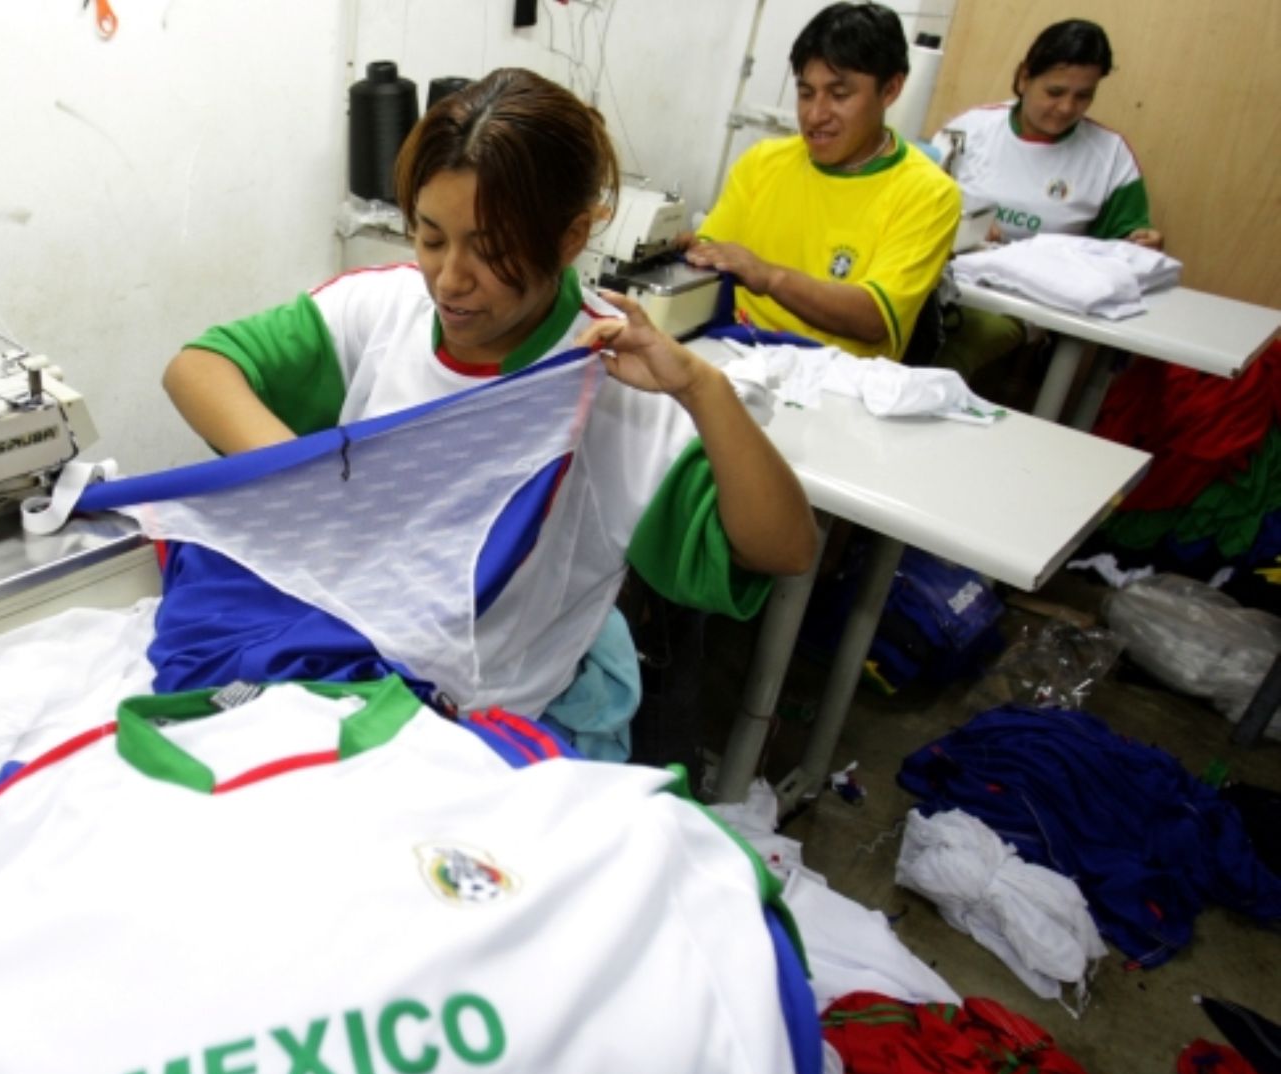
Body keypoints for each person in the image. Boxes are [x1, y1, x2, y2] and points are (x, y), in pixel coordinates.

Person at [162, 67, 815, 751]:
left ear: (569, 240)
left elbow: (787, 547)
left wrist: (704, 391)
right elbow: (198, 369)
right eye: (431, 236)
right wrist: (325, 483)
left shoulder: (613, 385)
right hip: (354, 654)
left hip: (483, 712)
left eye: (491, 250)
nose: (449, 279)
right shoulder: (386, 310)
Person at [680, 2, 960, 361]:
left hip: (834, 386)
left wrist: (769, 277)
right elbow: (713, 260)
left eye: (839, 95)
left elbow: (873, 317)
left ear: (890, 90)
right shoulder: (763, 163)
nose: (815, 115)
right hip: (735, 356)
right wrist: (684, 256)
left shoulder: (929, 195)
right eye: (806, 93)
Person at [932, 20, 1161, 381]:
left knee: (947, 360)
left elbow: (1128, 248)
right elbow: (916, 205)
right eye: (1054, 92)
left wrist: (1141, 243)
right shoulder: (970, 129)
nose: (1067, 107)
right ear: (1024, 78)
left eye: (1083, 95)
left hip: (1026, 307)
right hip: (946, 282)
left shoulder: (1109, 155)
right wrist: (963, 229)